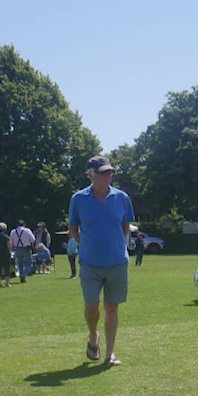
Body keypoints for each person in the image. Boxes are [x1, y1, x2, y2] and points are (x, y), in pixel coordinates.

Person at [68, 156, 135, 367]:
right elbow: (73, 229)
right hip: (89, 264)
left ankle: (110, 354)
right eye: (103, 173)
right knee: (91, 307)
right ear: (91, 175)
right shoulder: (78, 199)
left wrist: (116, 246)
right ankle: (93, 336)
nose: (108, 176)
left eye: (110, 172)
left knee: (111, 308)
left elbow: (125, 227)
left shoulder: (122, 198)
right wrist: (85, 245)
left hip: (117, 262)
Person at [0, 222, 11, 287]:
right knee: (7, 268)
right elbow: (9, 246)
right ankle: (7, 283)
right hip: (5, 253)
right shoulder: (6, 237)